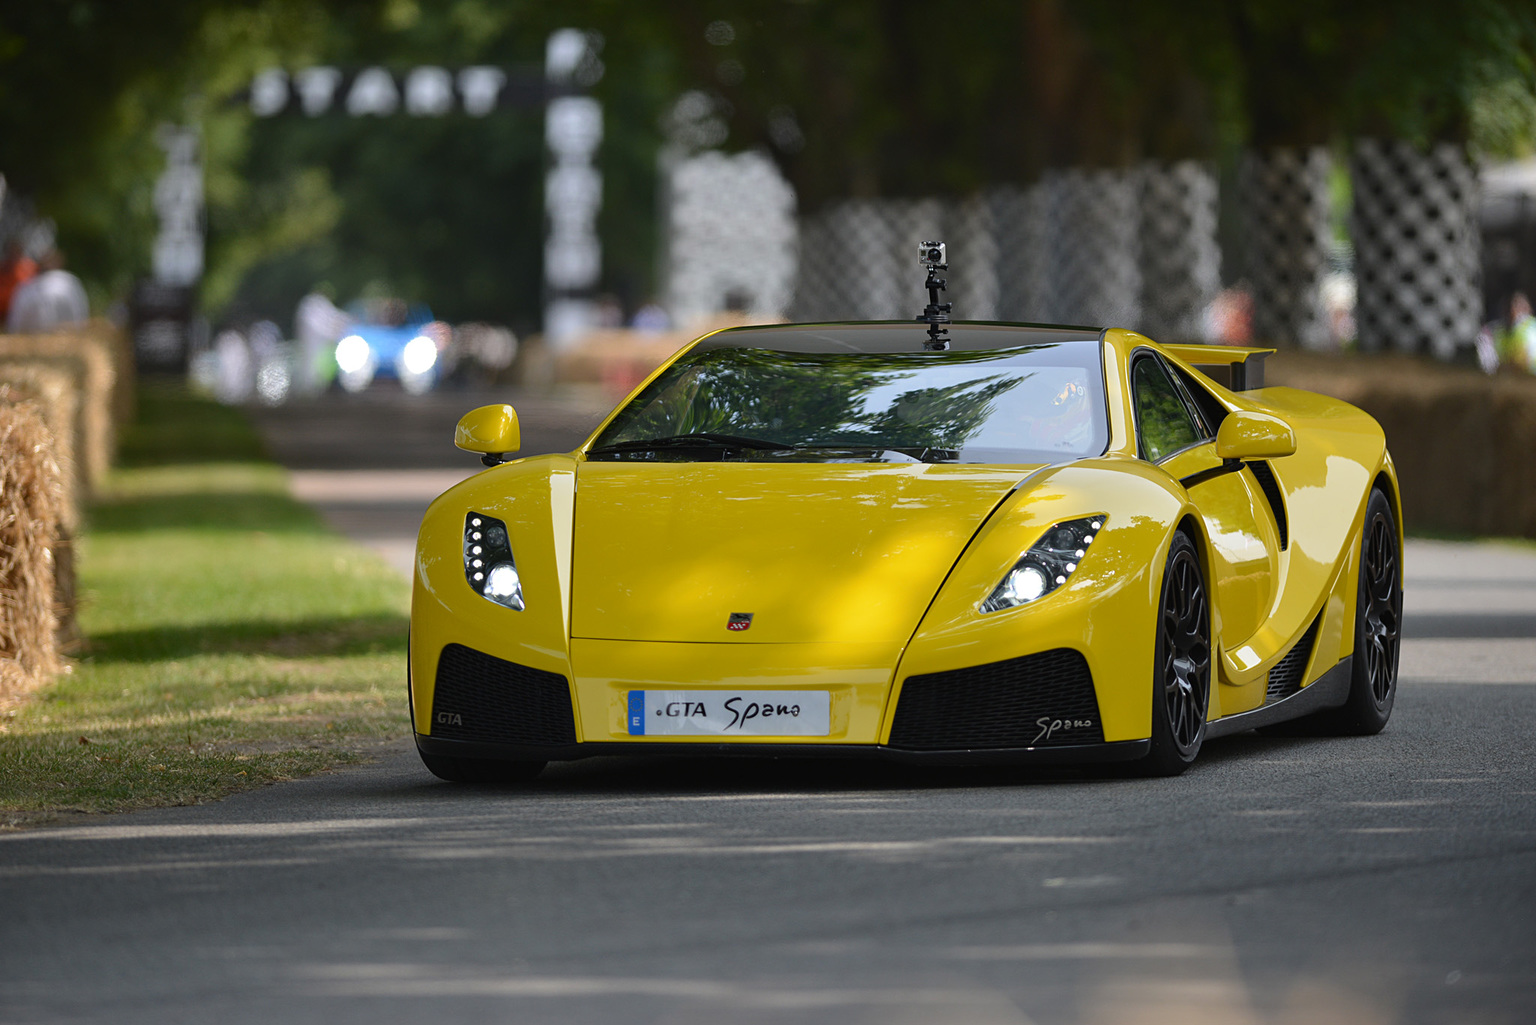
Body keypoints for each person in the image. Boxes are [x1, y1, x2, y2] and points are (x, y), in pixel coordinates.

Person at [5, 249, 87, 332]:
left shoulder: (25, 288)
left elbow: (15, 324)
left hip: (34, 340)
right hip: (68, 338)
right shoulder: (70, 282)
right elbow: (80, 313)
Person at [0, 240, 38, 323]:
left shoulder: (29, 267)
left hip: (24, 313)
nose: (12, 255)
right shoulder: (2, 269)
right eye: (10, 252)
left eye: (15, 252)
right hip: (3, 313)